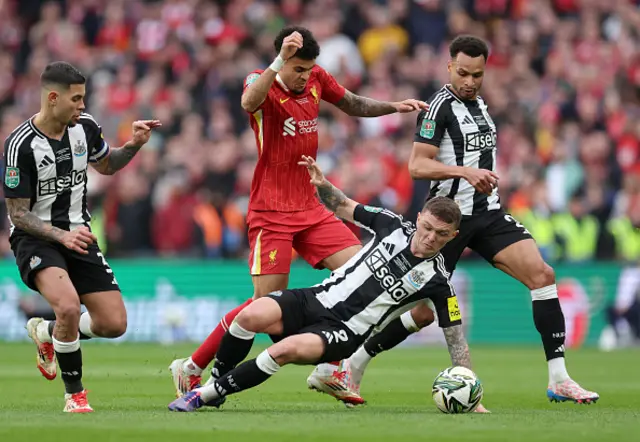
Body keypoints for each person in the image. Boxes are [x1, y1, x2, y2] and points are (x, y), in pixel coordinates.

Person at [310, 35, 599, 405]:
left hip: (487, 213)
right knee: (419, 310)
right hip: (446, 221)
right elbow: (417, 166)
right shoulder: (438, 108)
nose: (469, 81)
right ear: (449, 67)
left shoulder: (481, 105)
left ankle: (559, 379)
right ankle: (350, 363)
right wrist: (464, 172)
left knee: (542, 276)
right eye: (462, 73)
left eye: (476, 75)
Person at [169, 25, 427, 400]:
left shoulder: (316, 78)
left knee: (364, 274)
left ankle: (329, 370)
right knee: (262, 307)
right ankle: (193, 366)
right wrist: (278, 63)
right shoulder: (260, 80)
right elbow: (247, 104)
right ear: (281, 60)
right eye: (297, 68)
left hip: (311, 206)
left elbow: (351, 103)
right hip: (271, 210)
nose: (304, 76)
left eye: (309, 69)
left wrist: (392, 107)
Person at [167, 155, 476, 412]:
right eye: (427, 227)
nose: (430, 237)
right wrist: (322, 184)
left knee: (283, 351)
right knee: (249, 316)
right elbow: (342, 205)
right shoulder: (390, 224)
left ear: (452, 237)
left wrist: (469, 386)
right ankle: (216, 383)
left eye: (441, 234)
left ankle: (201, 396)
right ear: (419, 218)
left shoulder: (438, 280)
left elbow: (455, 336)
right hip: (314, 299)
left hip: (343, 331)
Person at [3, 61, 160, 412]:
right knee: (69, 307)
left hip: (79, 233)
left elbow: (106, 165)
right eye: (76, 99)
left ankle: (47, 332)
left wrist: (133, 145)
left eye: (84, 98)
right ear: (53, 98)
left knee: (113, 324)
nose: (83, 105)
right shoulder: (20, 146)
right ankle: (75, 395)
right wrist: (60, 236)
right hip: (37, 237)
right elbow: (17, 214)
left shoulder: (85, 128)